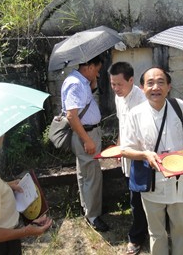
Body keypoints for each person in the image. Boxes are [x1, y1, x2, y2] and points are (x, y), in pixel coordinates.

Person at [120, 67, 183, 255]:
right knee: (156, 231)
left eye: (161, 82)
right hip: (152, 183)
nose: (155, 87)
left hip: (179, 180)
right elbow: (125, 149)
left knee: (181, 228)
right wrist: (145, 155)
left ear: (169, 86)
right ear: (142, 88)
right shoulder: (135, 114)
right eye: (150, 83)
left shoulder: (179, 106)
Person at [61, 54, 109, 232]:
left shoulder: (81, 81)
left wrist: (93, 85)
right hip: (85, 134)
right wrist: (87, 140)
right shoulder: (75, 83)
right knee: (92, 176)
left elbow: (82, 106)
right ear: (88, 66)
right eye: (96, 70)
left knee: (85, 173)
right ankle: (94, 216)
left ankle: (87, 209)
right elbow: (72, 116)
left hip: (87, 132)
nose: (97, 74)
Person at [109, 61, 148, 255]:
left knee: (137, 198)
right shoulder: (120, 97)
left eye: (119, 84)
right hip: (126, 154)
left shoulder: (142, 99)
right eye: (112, 84)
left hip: (140, 157)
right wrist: (118, 144)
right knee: (136, 196)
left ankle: (137, 236)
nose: (115, 88)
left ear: (131, 80)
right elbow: (121, 122)